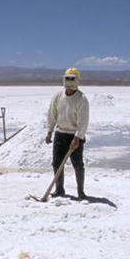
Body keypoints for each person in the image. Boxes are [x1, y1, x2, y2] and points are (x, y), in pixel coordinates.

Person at [45, 67, 89, 199]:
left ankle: (81, 192)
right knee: (57, 164)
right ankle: (59, 190)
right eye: (67, 78)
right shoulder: (58, 96)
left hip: (74, 135)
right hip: (60, 134)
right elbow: (52, 114)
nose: (69, 81)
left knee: (78, 165)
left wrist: (77, 138)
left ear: (77, 80)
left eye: (72, 78)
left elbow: (83, 121)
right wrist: (49, 131)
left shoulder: (81, 98)